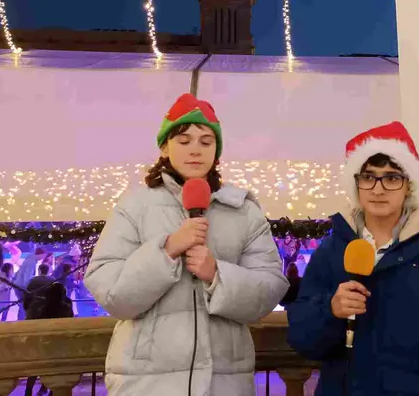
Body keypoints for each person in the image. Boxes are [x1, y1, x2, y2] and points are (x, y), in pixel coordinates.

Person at [84, 93, 288, 396]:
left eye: (206, 142)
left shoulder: (244, 210)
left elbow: (269, 287)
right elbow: (112, 293)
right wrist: (167, 250)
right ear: (165, 147)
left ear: (217, 151)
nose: (195, 150)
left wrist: (217, 274)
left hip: (225, 382)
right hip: (146, 382)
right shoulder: (134, 206)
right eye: (184, 141)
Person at [287, 121, 419, 395]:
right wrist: (331, 311)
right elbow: (303, 339)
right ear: (356, 184)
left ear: (409, 186)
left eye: (392, 177)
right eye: (368, 177)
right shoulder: (331, 252)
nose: (378, 188)